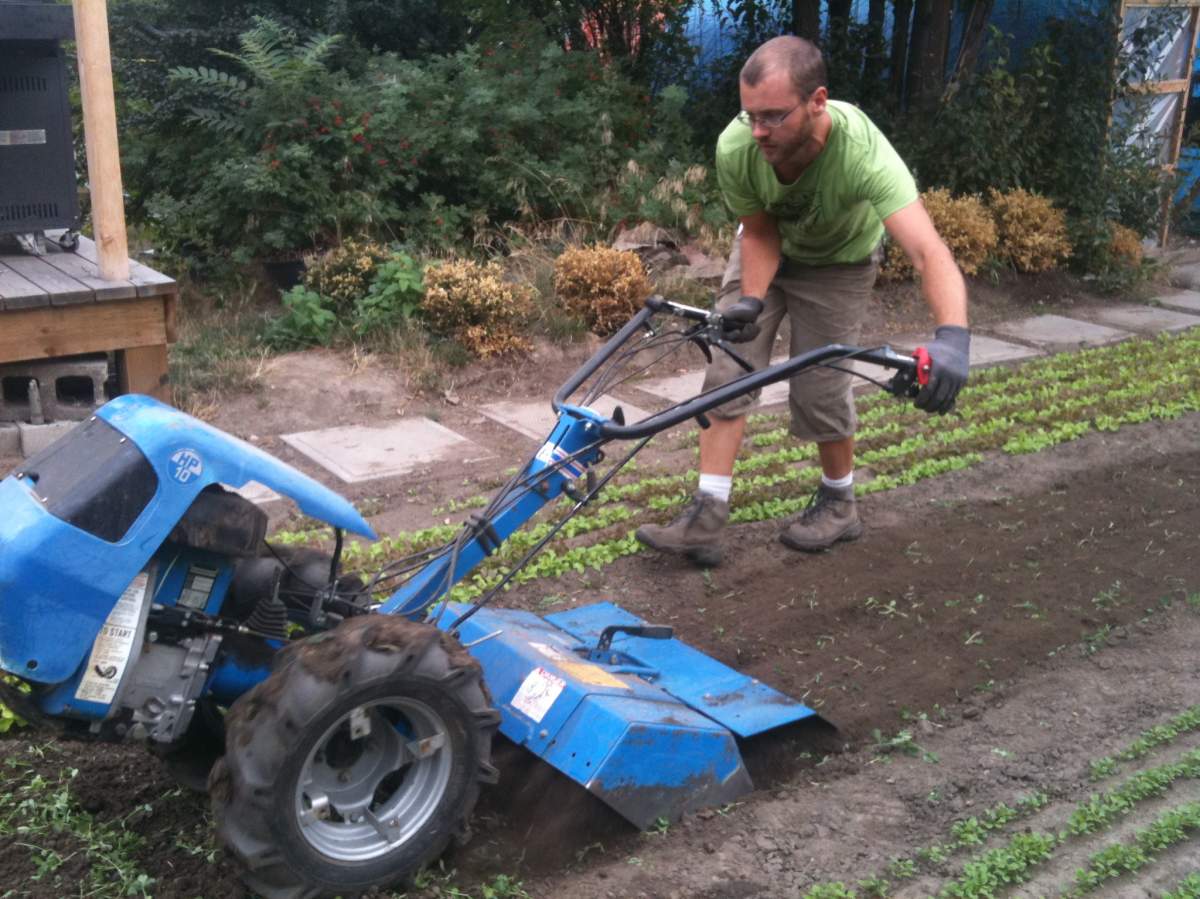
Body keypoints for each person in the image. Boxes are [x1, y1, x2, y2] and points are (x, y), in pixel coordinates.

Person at [635, 35, 970, 567]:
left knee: (819, 388)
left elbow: (929, 251)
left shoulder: (863, 154)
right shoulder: (738, 146)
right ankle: (706, 515)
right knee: (729, 369)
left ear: (817, 101)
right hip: (769, 251)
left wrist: (953, 337)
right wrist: (750, 300)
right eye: (751, 116)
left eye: (773, 116)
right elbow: (761, 231)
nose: (760, 131)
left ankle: (839, 502)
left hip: (839, 263)